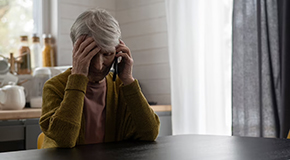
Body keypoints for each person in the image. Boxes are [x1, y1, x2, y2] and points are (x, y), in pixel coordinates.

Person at [39, 8, 160, 148]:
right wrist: (78, 78)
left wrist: (128, 80)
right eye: (90, 54)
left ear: (117, 52)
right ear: (76, 52)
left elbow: (150, 133)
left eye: (107, 54)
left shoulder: (121, 87)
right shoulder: (54, 86)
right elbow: (65, 140)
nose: (98, 65)